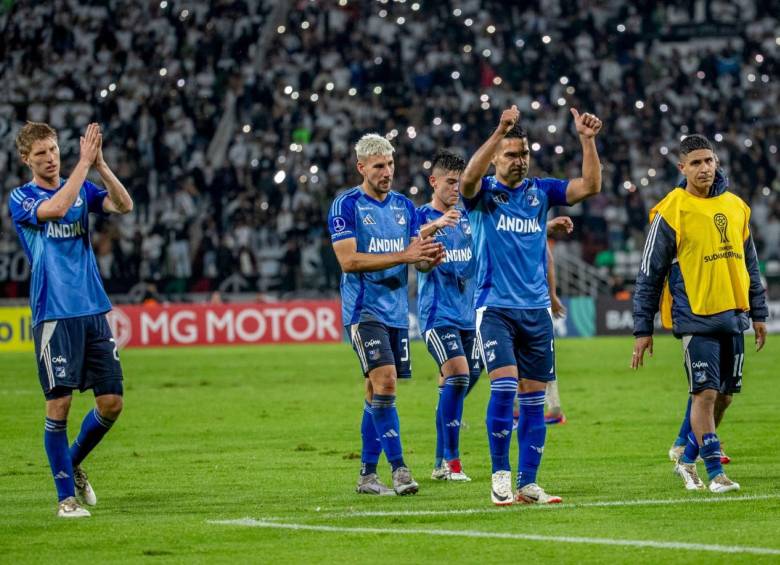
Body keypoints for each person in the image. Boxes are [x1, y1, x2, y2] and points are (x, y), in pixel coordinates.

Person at [461, 105, 603, 505]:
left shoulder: (540, 192)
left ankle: (528, 483)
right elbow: (469, 179)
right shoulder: (483, 195)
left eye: (524, 153)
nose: (520, 160)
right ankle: (500, 476)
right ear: (495, 158)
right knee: (504, 387)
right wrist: (498, 131)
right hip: (496, 309)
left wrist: (587, 141)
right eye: (510, 154)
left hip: (536, 311)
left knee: (534, 401)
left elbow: (589, 186)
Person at [8, 121, 134, 518]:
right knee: (58, 406)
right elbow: (57, 207)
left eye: (53, 149)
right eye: (41, 153)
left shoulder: (82, 187)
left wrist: (100, 166)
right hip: (54, 315)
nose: (50, 158)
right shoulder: (21, 198)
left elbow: (123, 205)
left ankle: (73, 461)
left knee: (112, 403)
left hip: (92, 308)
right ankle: (66, 499)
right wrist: (82, 165)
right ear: (26, 159)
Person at [632, 134, 767, 493]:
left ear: (717, 162)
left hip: (733, 315)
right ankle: (715, 474)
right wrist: (641, 328)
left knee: (724, 397)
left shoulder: (737, 206)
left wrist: (759, 312)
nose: (704, 168)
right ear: (683, 168)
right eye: (695, 163)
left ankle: (686, 458)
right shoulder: (670, 210)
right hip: (695, 316)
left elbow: (750, 265)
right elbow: (649, 273)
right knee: (704, 395)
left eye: (709, 161)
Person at [328, 133, 448, 496]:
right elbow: (349, 261)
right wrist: (406, 257)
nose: (387, 172)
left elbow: (417, 259)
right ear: (361, 167)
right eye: (379, 166)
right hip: (364, 312)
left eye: (390, 164)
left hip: (397, 314)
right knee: (387, 383)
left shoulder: (404, 207)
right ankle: (400, 470)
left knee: (374, 391)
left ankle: (367, 476)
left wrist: (428, 261)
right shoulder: (345, 205)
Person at [415, 149, 482, 482]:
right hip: (437, 316)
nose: (456, 188)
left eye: (460, 183)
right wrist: (434, 230)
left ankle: (441, 460)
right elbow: (416, 258)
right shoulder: (420, 218)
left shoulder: (467, 215)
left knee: (470, 374)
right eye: (450, 182)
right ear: (434, 181)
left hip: (468, 316)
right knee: (458, 374)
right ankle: (451, 464)